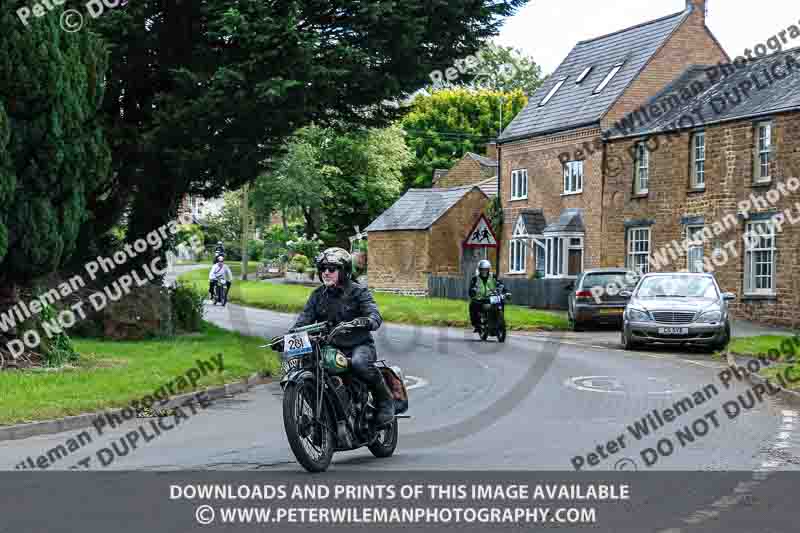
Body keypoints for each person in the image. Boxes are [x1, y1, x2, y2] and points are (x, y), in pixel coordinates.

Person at [292, 247, 395, 426]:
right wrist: (288, 337)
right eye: (323, 268)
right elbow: (303, 321)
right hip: (328, 348)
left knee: (359, 364)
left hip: (358, 346)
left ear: (344, 270)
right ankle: (324, 418)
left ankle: (385, 402)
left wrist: (367, 321)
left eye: (331, 268)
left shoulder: (358, 292)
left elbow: (374, 314)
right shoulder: (317, 296)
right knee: (309, 368)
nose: (326, 272)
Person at [468, 259, 504, 333]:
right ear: (479, 270)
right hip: (480, 299)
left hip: (491, 297)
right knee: (472, 305)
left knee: (501, 302)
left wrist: (506, 292)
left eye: (486, 269)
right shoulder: (475, 279)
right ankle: (477, 325)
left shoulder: (493, 277)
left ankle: (500, 320)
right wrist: (473, 291)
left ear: (488, 270)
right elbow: (471, 288)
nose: (484, 271)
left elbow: (501, 285)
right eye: (482, 269)